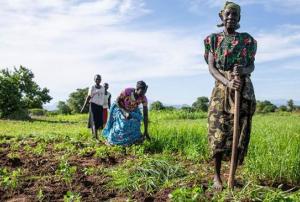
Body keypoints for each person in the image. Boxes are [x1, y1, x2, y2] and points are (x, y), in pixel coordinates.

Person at [204, 1, 257, 190]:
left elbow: (252, 65)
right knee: (218, 130)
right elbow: (211, 67)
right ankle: (217, 177)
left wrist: (243, 70)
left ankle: (232, 176)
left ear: (239, 18)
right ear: (221, 16)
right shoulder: (213, 40)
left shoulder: (247, 40)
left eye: (235, 15)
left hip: (242, 88)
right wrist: (227, 81)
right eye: (227, 14)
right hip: (222, 89)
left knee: (238, 133)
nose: (231, 18)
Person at [102, 81, 150, 146]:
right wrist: (125, 112)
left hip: (132, 110)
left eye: (144, 93)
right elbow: (117, 101)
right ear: (137, 89)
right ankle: (112, 140)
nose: (142, 95)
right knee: (123, 124)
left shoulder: (143, 97)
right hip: (120, 107)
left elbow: (145, 115)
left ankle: (131, 141)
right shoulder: (127, 91)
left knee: (135, 122)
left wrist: (146, 131)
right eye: (141, 93)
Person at [81, 75, 105, 140]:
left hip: (100, 106)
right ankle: (96, 138)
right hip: (93, 105)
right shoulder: (92, 87)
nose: (98, 80)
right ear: (94, 80)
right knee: (94, 120)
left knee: (99, 121)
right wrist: (83, 107)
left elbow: (103, 97)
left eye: (99, 79)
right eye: (97, 79)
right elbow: (88, 97)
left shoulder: (103, 88)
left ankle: (93, 136)